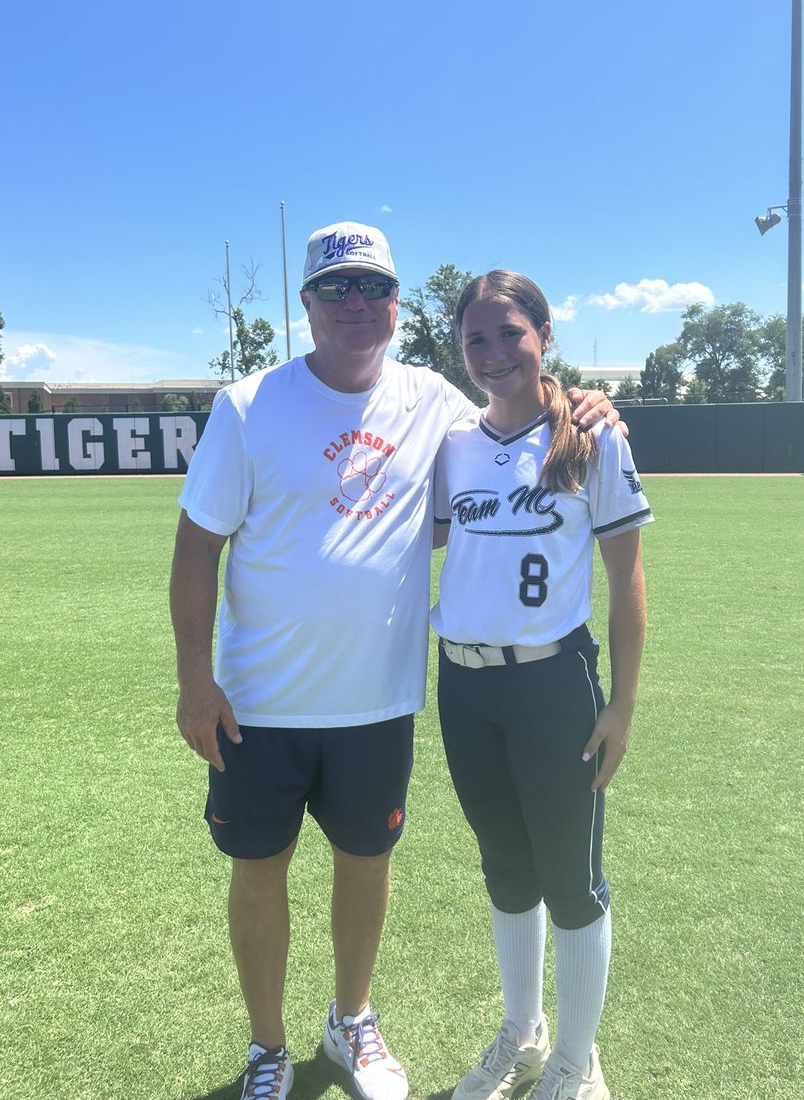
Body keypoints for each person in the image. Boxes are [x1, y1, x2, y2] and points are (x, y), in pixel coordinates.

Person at [170, 223, 621, 1100]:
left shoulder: (433, 402)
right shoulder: (249, 404)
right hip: (259, 701)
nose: (355, 306)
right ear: (306, 305)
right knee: (258, 870)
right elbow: (196, 548)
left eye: (372, 288)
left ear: (396, 304)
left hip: (378, 701)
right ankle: (268, 1047)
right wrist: (195, 677)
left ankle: (351, 1023)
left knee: (364, 865)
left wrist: (586, 401)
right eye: (335, 290)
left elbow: (514, 408)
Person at [430, 271, 652, 1100]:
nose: (493, 354)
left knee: (571, 880)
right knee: (505, 870)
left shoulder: (592, 437)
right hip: (466, 689)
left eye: (509, 333)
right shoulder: (453, 445)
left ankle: (577, 1061)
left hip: (553, 684)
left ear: (544, 336)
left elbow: (626, 579)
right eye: (475, 340)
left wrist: (622, 705)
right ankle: (523, 1034)